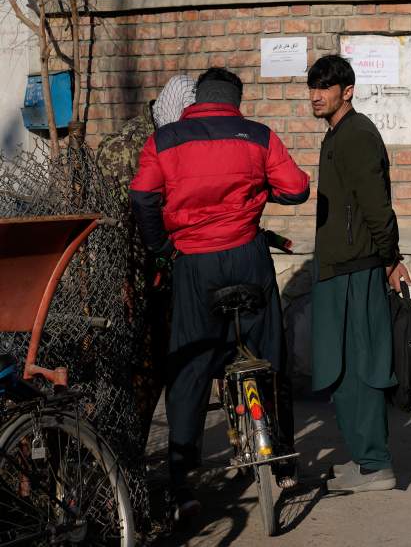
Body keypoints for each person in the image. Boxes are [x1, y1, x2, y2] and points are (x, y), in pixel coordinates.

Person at [130, 67, 309, 516]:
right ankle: (284, 460)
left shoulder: (164, 140)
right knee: (270, 354)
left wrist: (161, 247)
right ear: (235, 99)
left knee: (190, 366)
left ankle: (182, 483)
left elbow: (142, 197)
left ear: (197, 99)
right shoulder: (258, 135)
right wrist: (260, 189)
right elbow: (297, 188)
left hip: (193, 263)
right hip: (248, 255)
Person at [308, 55, 410, 494]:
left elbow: (377, 207)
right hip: (339, 267)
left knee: (361, 367)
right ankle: (364, 459)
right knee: (342, 369)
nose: (316, 96)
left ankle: (375, 464)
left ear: (347, 91)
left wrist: (390, 259)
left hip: (357, 267)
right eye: (312, 87)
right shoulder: (337, 134)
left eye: (325, 87)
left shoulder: (357, 135)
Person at [97, 74, 196, 448]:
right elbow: (109, 228)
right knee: (139, 376)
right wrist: (119, 283)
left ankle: (179, 460)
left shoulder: (182, 140)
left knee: (179, 369)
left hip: (173, 274)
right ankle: (128, 459)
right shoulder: (122, 148)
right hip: (134, 282)